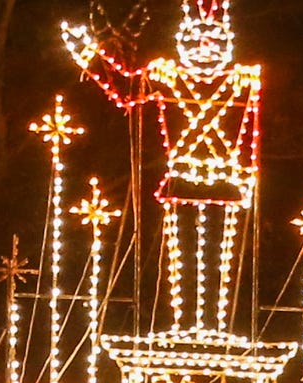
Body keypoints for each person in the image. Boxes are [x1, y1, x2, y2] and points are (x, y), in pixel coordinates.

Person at [66, 0, 261, 338]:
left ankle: (213, 327)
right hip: (183, 179)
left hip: (225, 182)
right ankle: (185, 324)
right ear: (181, 39)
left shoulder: (242, 80)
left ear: (228, 43)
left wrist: (248, 172)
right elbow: (126, 90)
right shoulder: (164, 76)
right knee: (183, 258)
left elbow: (251, 135)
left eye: (215, 41)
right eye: (196, 39)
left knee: (219, 258)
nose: (205, 49)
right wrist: (90, 57)